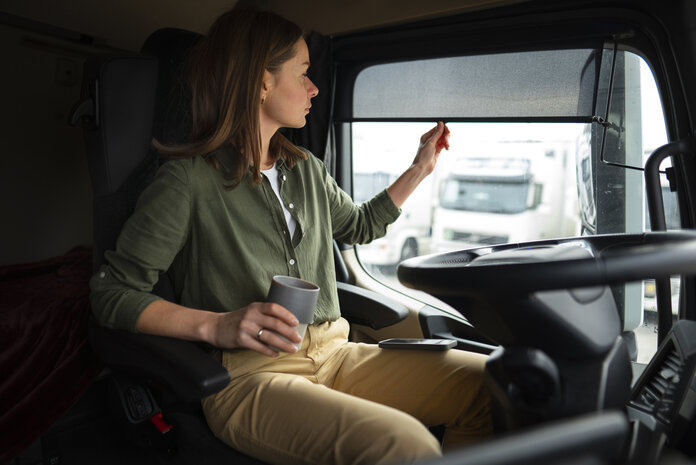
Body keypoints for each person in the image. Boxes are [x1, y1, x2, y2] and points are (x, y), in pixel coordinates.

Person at [90, 6, 491, 465]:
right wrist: (216, 325)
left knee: (492, 383)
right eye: (303, 73)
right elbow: (111, 294)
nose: (314, 87)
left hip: (335, 355)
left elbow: (360, 225)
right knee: (407, 444)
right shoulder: (187, 182)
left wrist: (419, 169)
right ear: (262, 82)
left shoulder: (307, 170)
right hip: (249, 378)